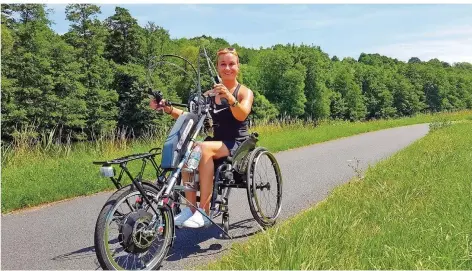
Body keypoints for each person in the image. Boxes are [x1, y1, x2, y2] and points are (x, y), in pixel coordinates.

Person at [150, 47, 254, 228]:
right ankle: (189, 209)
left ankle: (203, 213)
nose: (227, 68)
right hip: (216, 142)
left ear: (238, 66)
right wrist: (167, 108)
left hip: (238, 142)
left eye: (231, 64)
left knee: (202, 148)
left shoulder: (244, 92)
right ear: (217, 67)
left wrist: (229, 97)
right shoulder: (209, 94)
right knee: (189, 147)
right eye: (223, 64)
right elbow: (190, 115)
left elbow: (242, 114)